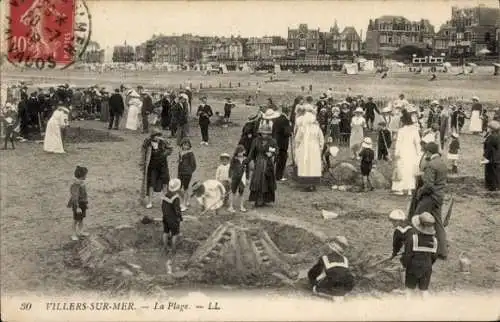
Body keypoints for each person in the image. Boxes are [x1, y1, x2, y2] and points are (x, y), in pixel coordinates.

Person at [413, 142, 448, 260]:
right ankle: (443, 251)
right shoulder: (443, 163)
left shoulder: (431, 165)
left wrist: (420, 192)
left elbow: (428, 185)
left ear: (428, 152)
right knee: (438, 223)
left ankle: (413, 245)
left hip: (430, 197)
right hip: (439, 196)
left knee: (416, 218)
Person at [402, 212, 438, 298]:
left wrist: (404, 264)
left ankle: (407, 305)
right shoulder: (435, 241)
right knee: (424, 289)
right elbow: (434, 257)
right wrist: (427, 264)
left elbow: (407, 255)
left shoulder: (413, 239)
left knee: (409, 289)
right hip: (427, 267)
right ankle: (425, 306)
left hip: (413, 267)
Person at [307, 236, 355, 301]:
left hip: (331, 287)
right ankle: (340, 294)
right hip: (344, 289)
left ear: (331, 246)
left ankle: (329, 294)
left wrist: (314, 281)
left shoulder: (325, 258)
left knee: (315, 287)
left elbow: (312, 274)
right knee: (337, 274)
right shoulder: (345, 260)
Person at [248, 116, 278, 207]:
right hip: (259, 163)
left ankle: (265, 199)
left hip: (268, 164)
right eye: (263, 133)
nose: (264, 135)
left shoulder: (272, 141)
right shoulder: (256, 141)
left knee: (267, 181)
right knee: (257, 181)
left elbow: (276, 150)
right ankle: (258, 199)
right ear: (260, 133)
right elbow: (251, 152)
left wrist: (272, 154)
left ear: (269, 134)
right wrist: (247, 161)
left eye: (266, 133)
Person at [140, 128, 173, 209]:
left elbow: (170, 149)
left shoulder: (163, 142)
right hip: (152, 167)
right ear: (152, 136)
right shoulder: (147, 142)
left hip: (163, 166)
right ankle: (150, 201)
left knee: (165, 183)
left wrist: (165, 153)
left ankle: (165, 201)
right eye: (156, 136)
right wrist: (142, 163)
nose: (157, 137)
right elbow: (143, 153)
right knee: (151, 184)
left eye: (159, 135)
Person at [391, 111, 421, 196]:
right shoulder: (415, 130)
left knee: (402, 169)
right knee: (410, 170)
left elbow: (398, 143)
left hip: (403, 151)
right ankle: (409, 190)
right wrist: (419, 153)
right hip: (411, 152)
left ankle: (400, 189)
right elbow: (417, 143)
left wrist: (397, 153)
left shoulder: (401, 131)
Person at [294, 112, 324, 192]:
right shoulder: (317, 128)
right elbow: (321, 139)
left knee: (306, 165)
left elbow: (297, 139)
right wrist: (320, 148)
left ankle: (307, 185)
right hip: (314, 148)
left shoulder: (302, 128)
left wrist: (297, 148)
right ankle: (313, 184)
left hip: (305, 148)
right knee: (313, 165)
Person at [388, 209, 412, 290]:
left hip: (409, 252)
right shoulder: (411, 227)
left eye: (394, 221)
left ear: (400, 221)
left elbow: (396, 245)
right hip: (415, 250)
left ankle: (404, 287)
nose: (393, 223)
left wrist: (394, 254)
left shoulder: (398, 231)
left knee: (403, 265)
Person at [67, 166, 89, 241]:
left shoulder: (81, 183)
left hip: (82, 203)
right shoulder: (75, 185)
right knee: (76, 220)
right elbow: (75, 197)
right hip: (77, 204)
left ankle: (80, 231)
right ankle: (73, 234)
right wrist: (77, 207)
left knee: (81, 218)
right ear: (81, 176)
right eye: (85, 175)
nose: (86, 176)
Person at [161, 178, 183, 253]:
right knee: (175, 234)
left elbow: (163, 207)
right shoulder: (176, 198)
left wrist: (164, 215)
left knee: (165, 232)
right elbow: (177, 209)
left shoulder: (165, 195)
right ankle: (173, 250)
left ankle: (165, 248)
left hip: (165, 217)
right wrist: (179, 217)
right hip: (173, 218)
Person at [271, 106, 292, 182]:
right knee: (282, 160)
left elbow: (273, 131)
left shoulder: (277, 119)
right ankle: (279, 176)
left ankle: (273, 174)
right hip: (283, 143)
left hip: (276, 141)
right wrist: (290, 128)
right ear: (287, 112)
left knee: (276, 158)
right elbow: (287, 133)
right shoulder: (286, 120)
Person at [228, 145, 249, 213]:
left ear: (244, 152)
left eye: (241, 152)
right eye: (239, 152)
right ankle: (231, 206)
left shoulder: (246, 159)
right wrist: (229, 177)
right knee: (233, 192)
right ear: (236, 152)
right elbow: (231, 168)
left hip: (242, 178)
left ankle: (241, 206)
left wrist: (247, 178)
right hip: (235, 178)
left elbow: (247, 170)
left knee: (241, 192)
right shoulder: (234, 159)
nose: (240, 153)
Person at [177, 138, 196, 211]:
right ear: (182, 145)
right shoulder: (180, 152)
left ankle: (184, 204)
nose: (186, 146)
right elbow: (179, 163)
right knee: (178, 188)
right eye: (184, 145)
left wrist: (189, 171)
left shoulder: (190, 153)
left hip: (187, 174)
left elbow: (194, 164)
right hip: (180, 173)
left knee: (185, 188)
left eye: (187, 145)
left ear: (189, 146)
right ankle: (185, 200)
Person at [482, 120, 500, 192]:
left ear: (492, 129)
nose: (488, 129)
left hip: (491, 157)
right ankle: (497, 186)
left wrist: (485, 157)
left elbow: (488, 149)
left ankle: (491, 187)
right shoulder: (497, 136)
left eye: (489, 128)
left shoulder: (491, 137)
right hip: (497, 157)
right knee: (497, 172)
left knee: (490, 172)